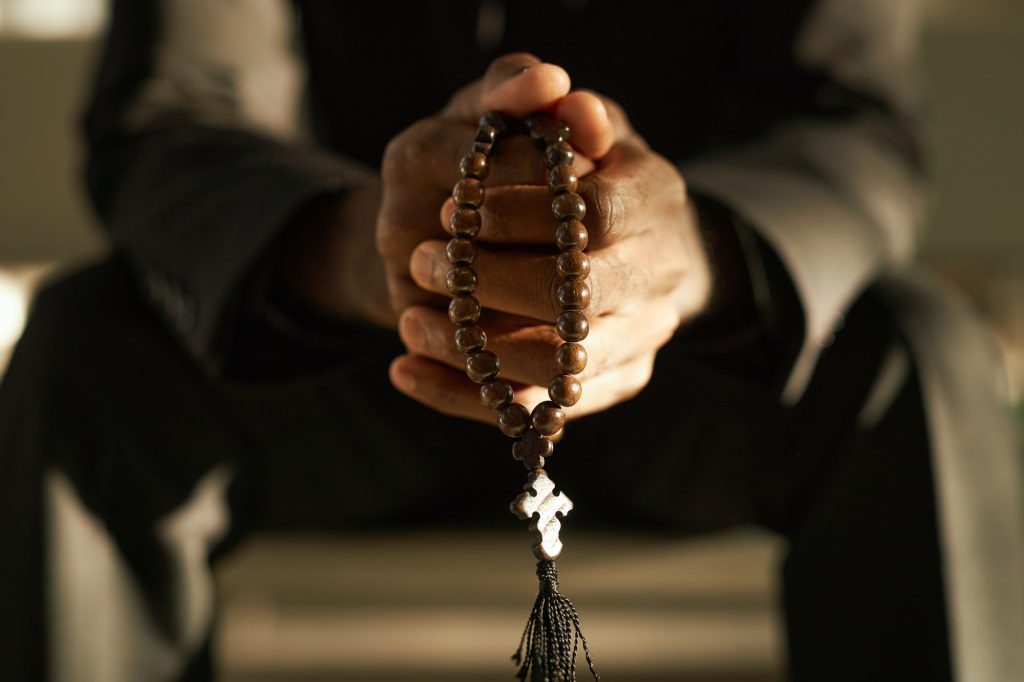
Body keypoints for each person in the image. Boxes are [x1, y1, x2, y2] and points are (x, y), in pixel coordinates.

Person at [1, 1, 1021, 680]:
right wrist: (361, 250)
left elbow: (850, 117)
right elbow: (178, 104)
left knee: (915, 354)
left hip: (696, 372)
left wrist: (687, 259)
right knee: (89, 350)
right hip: (342, 364)